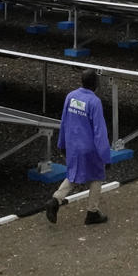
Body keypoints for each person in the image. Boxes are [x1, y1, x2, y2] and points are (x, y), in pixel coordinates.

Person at [46, 68, 112, 225]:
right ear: (96, 84)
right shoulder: (94, 102)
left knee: (73, 174)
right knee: (97, 176)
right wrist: (106, 156)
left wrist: (61, 143)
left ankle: (55, 200)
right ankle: (92, 212)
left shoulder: (71, 96)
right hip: (90, 148)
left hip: (73, 146)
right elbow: (99, 132)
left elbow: (64, 122)